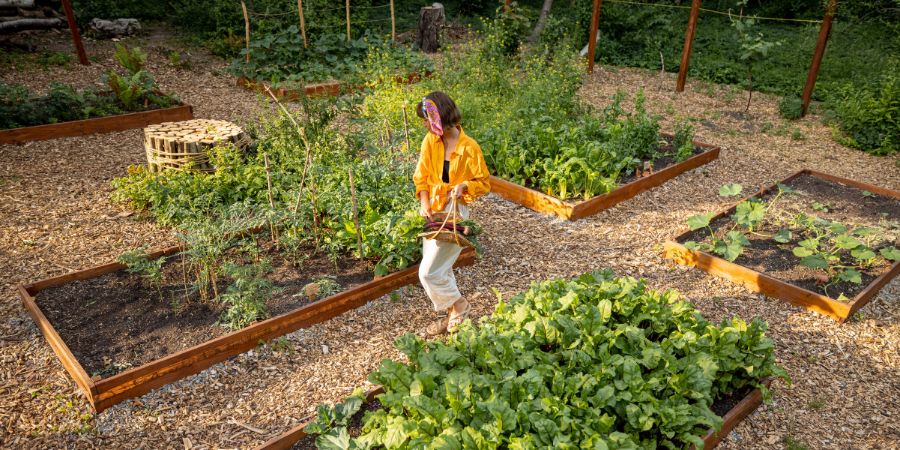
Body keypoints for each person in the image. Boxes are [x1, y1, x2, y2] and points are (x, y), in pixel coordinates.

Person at [413, 91, 490, 335]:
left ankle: (459, 304)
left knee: (427, 273)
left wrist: (465, 185)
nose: (424, 124)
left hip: (454, 211)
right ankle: (452, 314)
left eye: (426, 119)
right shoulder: (430, 140)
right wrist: (424, 202)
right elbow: (422, 176)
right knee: (441, 269)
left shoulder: (469, 147)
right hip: (432, 210)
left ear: (439, 117)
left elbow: (484, 183)